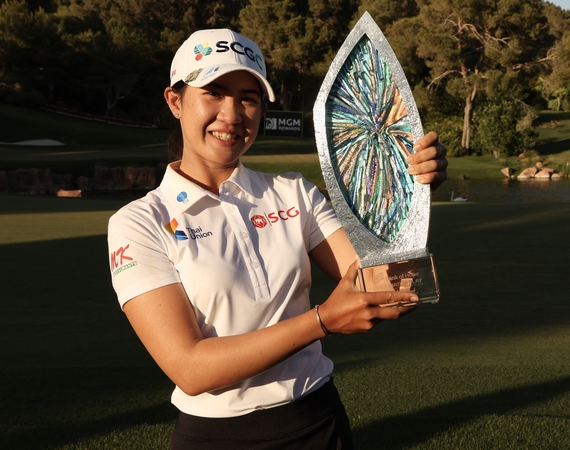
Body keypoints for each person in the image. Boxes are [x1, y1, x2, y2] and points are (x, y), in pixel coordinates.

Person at [107, 28, 448, 450]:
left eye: (248, 98)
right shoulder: (139, 221)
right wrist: (320, 322)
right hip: (216, 437)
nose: (232, 114)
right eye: (213, 92)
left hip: (318, 422)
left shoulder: (293, 193)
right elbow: (189, 369)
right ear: (175, 102)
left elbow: (389, 286)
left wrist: (407, 190)